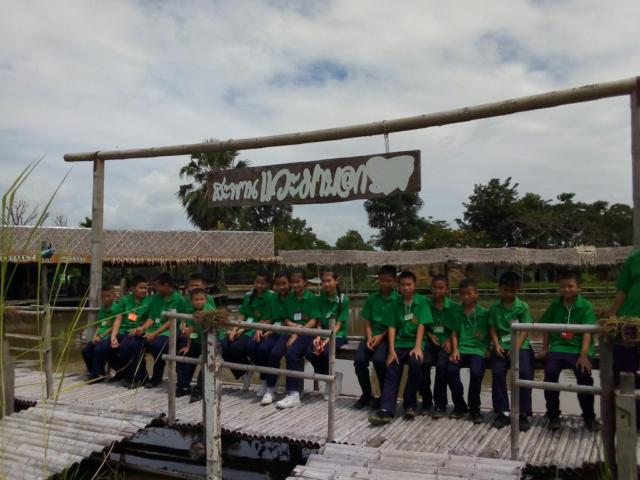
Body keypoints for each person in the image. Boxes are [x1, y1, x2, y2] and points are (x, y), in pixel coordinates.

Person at [539, 271, 601, 431]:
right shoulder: (555, 305)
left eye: (570, 286)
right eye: (562, 286)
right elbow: (545, 326)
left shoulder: (585, 306)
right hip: (558, 347)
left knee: (584, 376)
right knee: (550, 374)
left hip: (578, 349)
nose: (566, 289)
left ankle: (589, 416)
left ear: (579, 288)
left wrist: (584, 355)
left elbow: (588, 332)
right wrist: (545, 348)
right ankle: (553, 415)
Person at [369, 271, 432, 425]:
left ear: (415, 286)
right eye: (403, 285)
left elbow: (422, 325)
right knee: (392, 367)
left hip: (415, 344)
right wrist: (391, 351)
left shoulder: (422, 302)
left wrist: (418, 347)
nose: (406, 288)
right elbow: (391, 327)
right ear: (398, 286)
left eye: (409, 284)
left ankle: (410, 403)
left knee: (416, 364)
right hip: (398, 344)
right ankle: (386, 409)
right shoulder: (395, 304)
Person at [489, 271, 534, 431]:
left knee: (525, 372)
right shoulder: (494, 308)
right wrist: (496, 344)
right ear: (500, 289)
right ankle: (503, 412)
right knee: (497, 372)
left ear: (517, 290)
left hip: (520, 346)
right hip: (501, 346)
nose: (508, 293)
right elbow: (492, 328)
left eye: (512, 290)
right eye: (505, 290)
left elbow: (525, 329)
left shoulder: (523, 307)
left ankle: (523, 413)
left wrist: (516, 346)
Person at [275, 268, 320, 409]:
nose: (295, 285)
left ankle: (293, 394)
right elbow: (286, 318)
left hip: (307, 332)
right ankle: (271, 387)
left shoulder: (312, 298)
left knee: (291, 353)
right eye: (292, 282)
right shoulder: (289, 298)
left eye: (298, 282)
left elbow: (314, 320)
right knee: (275, 351)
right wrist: (291, 325)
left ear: (305, 282)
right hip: (291, 331)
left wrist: (297, 333)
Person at [353, 265, 398, 410]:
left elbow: (395, 324)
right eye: (382, 280)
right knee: (359, 361)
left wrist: (380, 337)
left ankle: (385, 396)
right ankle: (367, 394)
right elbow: (367, 321)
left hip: (387, 338)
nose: (385, 283)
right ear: (379, 279)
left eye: (388, 280)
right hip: (371, 337)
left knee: (379, 361)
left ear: (394, 281)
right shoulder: (372, 298)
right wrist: (369, 338)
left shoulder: (398, 299)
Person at [222, 271, 273, 390]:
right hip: (244, 327)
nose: (259, 285)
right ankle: (243, 371)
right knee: (224, 345)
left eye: (262, 283)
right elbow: (242, 314)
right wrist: (235, 329)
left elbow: (268, 319)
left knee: (236, 347)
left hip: (256, 330)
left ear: (267, 284)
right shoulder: (248, 295)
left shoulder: (271, 297)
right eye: (257, 282)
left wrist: (243, 329)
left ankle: (250, 368)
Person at [447, 278, 489, 424]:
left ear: (476, 294)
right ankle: (459, 405)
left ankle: (474, 408)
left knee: (476, 373)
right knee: (451, 370)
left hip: (478, 350)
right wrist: (454, 350)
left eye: (469, 293)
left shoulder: (485, 313)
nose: (466, 297)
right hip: (461, 348)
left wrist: (489, 348)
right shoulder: (456, 312)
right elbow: (454, 333)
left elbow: (491, 332)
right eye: (463, 294)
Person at [306, 268, 349, 400]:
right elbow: (319, 321)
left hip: (338, 335)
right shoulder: (319, 299)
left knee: (324, 352)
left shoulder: (343, 300)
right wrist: (318, 336)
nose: (326, 284)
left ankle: (330, 382)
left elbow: (339, 325)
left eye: (329, 280)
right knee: (310, 353)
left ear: (336, 281)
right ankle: (333, 377)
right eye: (323, 281)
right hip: (323, 334)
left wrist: (326, 340)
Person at [143, 273, 190, 389]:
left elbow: (171, 321)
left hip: (169, 331)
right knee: (134, 342)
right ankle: (139, 376)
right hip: (153, 329)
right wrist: (143, 328)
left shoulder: (179, 300)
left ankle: (156, 377)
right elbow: (152, 317)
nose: (155, 288)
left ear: (167, 285)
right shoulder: (156, 298)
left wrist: (155, 334)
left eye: (157, 286)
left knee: (158, 345)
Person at [610, 250, 640, 431]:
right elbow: (622, 291)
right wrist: (612, 317)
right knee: (622, 374)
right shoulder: (633, 259)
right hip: (628, 323)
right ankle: (622, 422)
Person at [422, 274, 459, 416]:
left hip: (446, 344)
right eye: (435, 287)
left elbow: (458, 328)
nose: (437, 291)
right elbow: (421, 324)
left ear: (447, 289)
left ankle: (440, 404)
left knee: (442, 366)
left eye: (441, 288)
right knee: (423, 363)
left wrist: (449, 340)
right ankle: (426, 401)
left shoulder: (454, 307)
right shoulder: (425, 304)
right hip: (430, 342)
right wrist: (429, 335)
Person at [110, 276, 151, 387]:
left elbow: (151, 318)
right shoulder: (124, 300)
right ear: (133, 288)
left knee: (130, 347)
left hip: (139, 332)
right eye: (141, 288)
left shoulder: (150, 301)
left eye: (146, 288)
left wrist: (142, 328)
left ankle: (138, 377)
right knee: (104, 347)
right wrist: (113, 335)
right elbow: (118, 318)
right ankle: (124, 373)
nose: (144, 290)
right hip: (124, 331)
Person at [259, 272, 291, 405]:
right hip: (276, 330)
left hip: (290, 332)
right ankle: (268, 382)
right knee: (262, 348)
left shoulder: (294, 297)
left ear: (289, 283)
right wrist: (262, 327)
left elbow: (291, 320)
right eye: (278, 284)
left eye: (284, 283)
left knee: (275, 353)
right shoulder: (273, 299)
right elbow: (271, 318)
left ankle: (271, 389)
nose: (281, 287)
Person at [176, 288, 211, 398]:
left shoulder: (210, 311)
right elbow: (191, 330)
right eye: (196, 299)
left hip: (210, 343)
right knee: (182, 354)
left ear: (205, 299)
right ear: (192, 301)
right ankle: (184, 386)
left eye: (201, 299)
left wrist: (195, 329)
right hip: (196, 340)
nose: (199, 301)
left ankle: (200, 389)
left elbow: (210, 330)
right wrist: (188, 346)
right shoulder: (190, 311)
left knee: (207, 361)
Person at [82, 284, 118, 381]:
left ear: (114, 296)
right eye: (103, 296)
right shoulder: (102, 309)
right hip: (99, 336)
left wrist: (101, 336)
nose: (105, 299)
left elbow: (114, 327)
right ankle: (96, 372)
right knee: (86, 351)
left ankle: (96, 374)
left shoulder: (117, 309)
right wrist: (94, 336)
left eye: (108, 296)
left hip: (109, 336)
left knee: (98, 349)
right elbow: (99, 325)